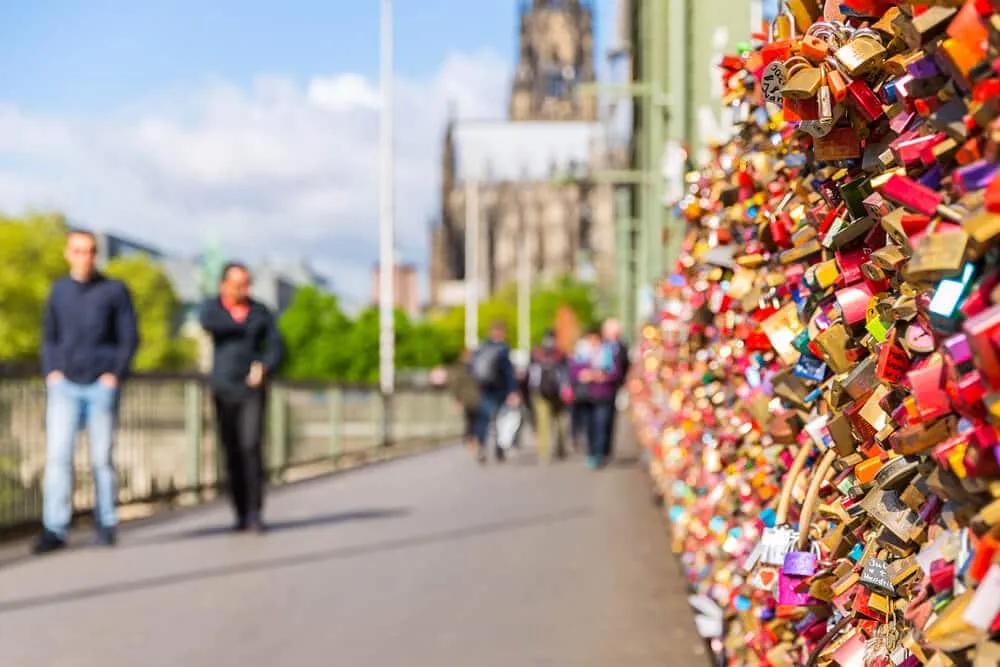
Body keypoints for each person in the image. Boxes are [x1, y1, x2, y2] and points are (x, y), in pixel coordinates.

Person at [34, 230, 139, 554]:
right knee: (58, 458)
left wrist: (114, 374)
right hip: (64, 384)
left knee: (101, 459)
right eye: (78, 251)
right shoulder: (59, 290)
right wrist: (52, 371)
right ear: (68, 254)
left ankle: (106, 523)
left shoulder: (114, 290)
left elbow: (129, 336)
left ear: (97, 255)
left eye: (91, 251)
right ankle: (54, 528)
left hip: (100, 385)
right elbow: (49, 336)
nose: (85, 256)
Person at [200, 262, 284, 533]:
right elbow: (210, 324)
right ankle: (238, 511)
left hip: (252, 388)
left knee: (251, 446)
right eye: (237, 285)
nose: (243, 290)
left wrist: (265, 365)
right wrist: (241, 324)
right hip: (224, 388)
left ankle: (254, 512)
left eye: (246, 284)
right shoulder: (213, 309)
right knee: (232, 450)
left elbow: (277, 346)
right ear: (224, 285)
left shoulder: (261, 311)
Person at [569, 326, 624, 470]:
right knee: (590, 427)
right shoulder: (582, 354)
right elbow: (573, 371)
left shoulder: (608, 352)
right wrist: (584, 375)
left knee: (601, 425)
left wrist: (602, 376)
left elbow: (617, 373)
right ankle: (591, 452)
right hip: (586, 396)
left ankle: (599, 454)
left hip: (603, 394)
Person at [469, 321, 518, 463]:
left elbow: (472, 370)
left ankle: (482, 446)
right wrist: (512, 391)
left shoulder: (481, 347)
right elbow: (509, 372)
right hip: (500, 390)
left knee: (484, 419)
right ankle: (499, 448)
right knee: (501, 421)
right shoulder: (503, 349)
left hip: (484, 389)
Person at [527, 329, 568, 463]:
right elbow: (566, 373)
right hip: (554, 393)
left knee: (544, 422)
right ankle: (558, 449)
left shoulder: (536, 353)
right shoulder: (561, 353)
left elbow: (530, 374)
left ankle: (544, 453)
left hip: (540, 392)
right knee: (558, 421)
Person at [601, 317, 630, 459]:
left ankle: (606, 448)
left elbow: (626, 365)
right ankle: (599, 448)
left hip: (613, 386)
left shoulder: (622, 347)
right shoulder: (601, 346)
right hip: (598, 387)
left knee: (609, 418)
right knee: (599, 419)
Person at [448, 348, 481, 451]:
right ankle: (470, 439)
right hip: (467, 398)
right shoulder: (460, 368)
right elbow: (455, 384)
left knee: (476, 420)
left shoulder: (476, 367)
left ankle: (473, 439)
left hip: (477, 398)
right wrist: (457, 399)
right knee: (470, 420)